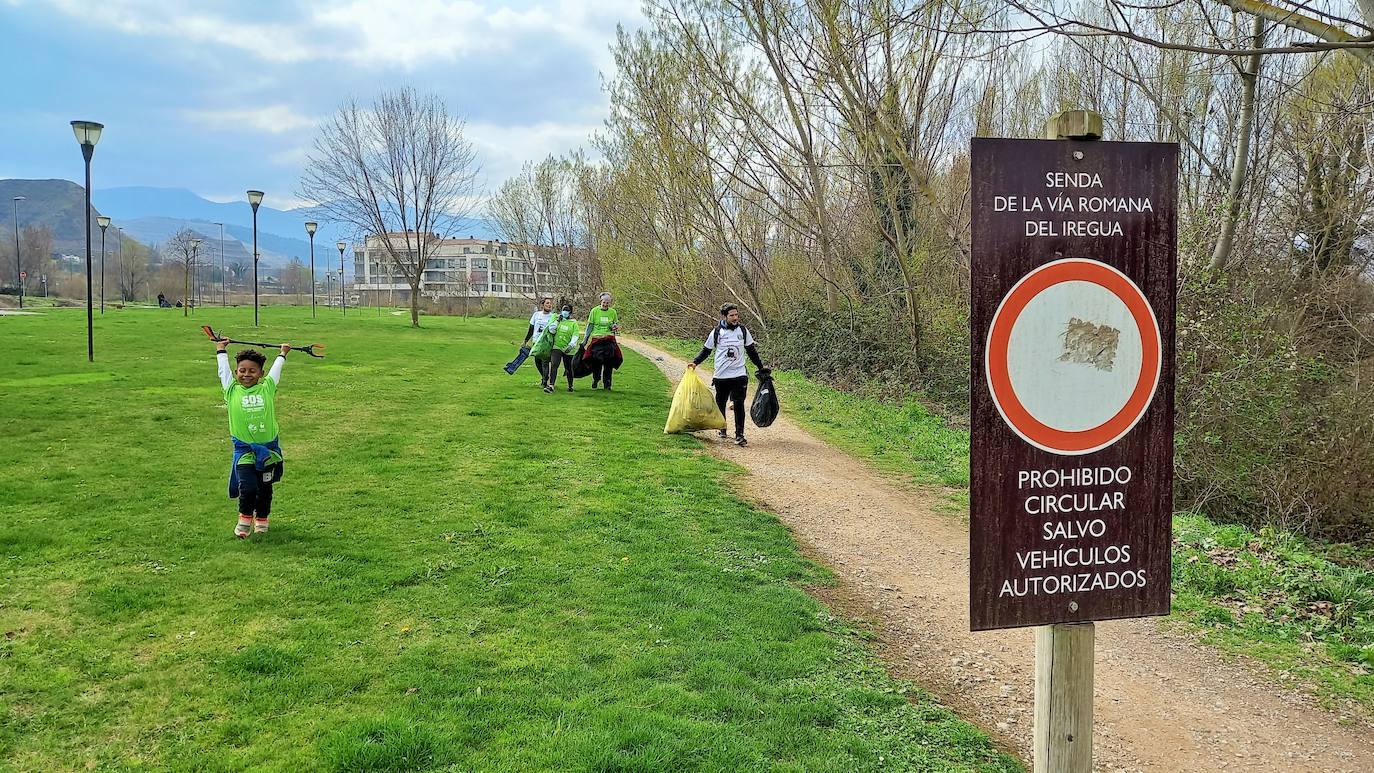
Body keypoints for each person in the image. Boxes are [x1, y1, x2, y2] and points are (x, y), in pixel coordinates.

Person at [215, 337, 290, 538]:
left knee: (265, 488)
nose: (246, 374)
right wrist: (221, 350)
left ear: (261, 374)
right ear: (237, 372)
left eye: (252, 371)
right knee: (248, 487)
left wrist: (282, 354)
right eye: (242, 370)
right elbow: (223, 372)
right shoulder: (231, 390)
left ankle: (262, 518)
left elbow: (276, 372)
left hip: (268, 451)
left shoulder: (267, 388)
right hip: (244, 450)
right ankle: (245, 519)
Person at [689, 303, 766, 447]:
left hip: (739, 374)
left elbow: (751, 351)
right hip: (721, 376)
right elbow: (706, 350)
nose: (735, 318)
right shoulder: (717, 332)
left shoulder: (743, 331)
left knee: (739, 404)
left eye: (737, 315)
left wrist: (761, 367)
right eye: (732, 315)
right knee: (721, 403)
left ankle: (739, 435)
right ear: (725, 316)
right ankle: (722, 428)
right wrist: (695, 362)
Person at [581, 292, 623, 390]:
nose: (605, 304)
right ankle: (596, 379)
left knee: (609, 362)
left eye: (607, 303)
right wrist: (585, 340)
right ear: (601, 301)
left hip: (609, 339)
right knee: (597, 361)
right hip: (597, 340)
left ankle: (607, 384)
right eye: (604, 302)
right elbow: (589, 326)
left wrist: (615, 327)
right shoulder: (594, 311)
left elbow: (616, 325)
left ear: (610, 303)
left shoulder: (613, 312)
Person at [542, 304, 582, 393]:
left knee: (568, 367)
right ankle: (551, 385)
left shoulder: (573, 323)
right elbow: (551, 330)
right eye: (563, 310)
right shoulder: (557, 320)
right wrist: (557, 321)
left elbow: (575, 335)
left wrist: (571, 345)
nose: (565, 312)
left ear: (570, 312)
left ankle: (570, 385)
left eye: (567, 310)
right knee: (554, 364)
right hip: (557, 346)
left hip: (568, 348)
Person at [522, 296, 555, 387]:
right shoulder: (536, 315)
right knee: (537, 361)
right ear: (542, 305)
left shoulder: (553, 316)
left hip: (546, 342)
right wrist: (525, 340)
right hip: (536, 341)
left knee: (544, 361)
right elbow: (531, 329)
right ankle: (545, 376)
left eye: (550, 303)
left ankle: (544, 381)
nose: (549, 305)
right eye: (547, 303)